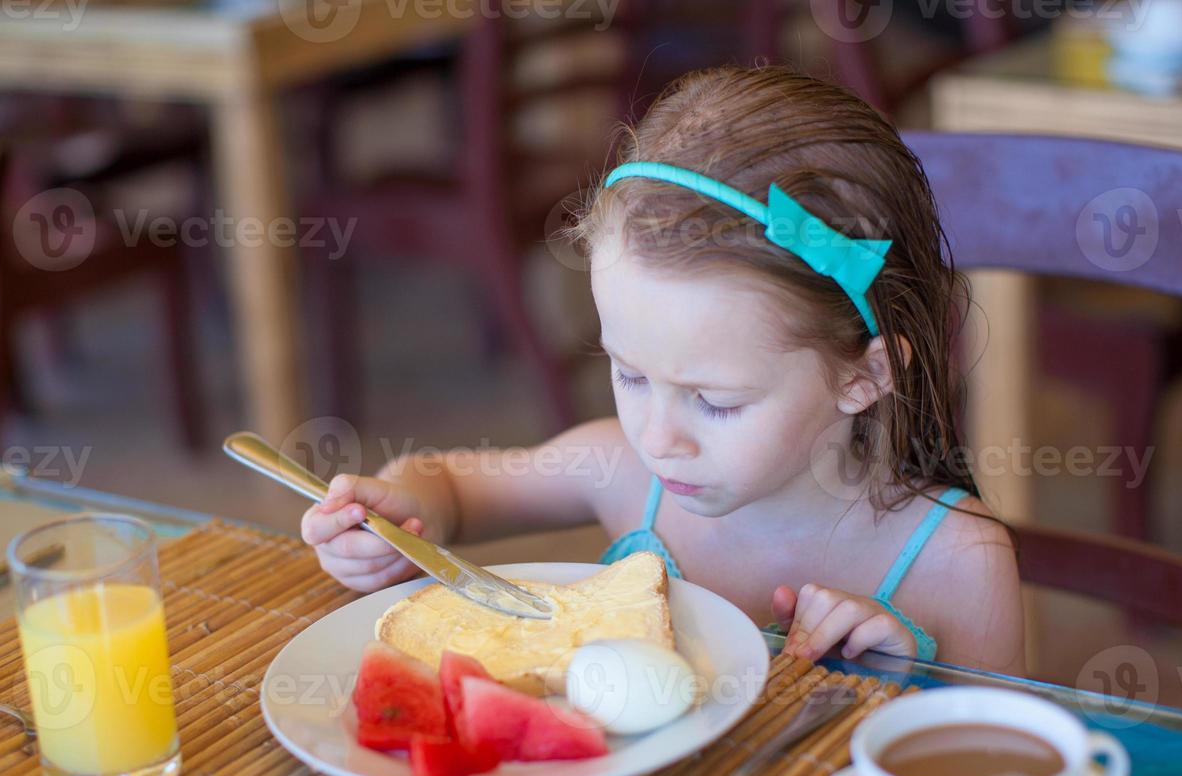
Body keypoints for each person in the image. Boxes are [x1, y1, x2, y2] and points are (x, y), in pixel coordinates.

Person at [301, 65, 1023, 675]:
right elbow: (451, 486)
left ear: (862, 377)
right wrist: (394, 513)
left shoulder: (958, 562)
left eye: (714, 400)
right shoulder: (620, 472)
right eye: (630, 375)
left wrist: (911, 690)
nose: (657, 435)